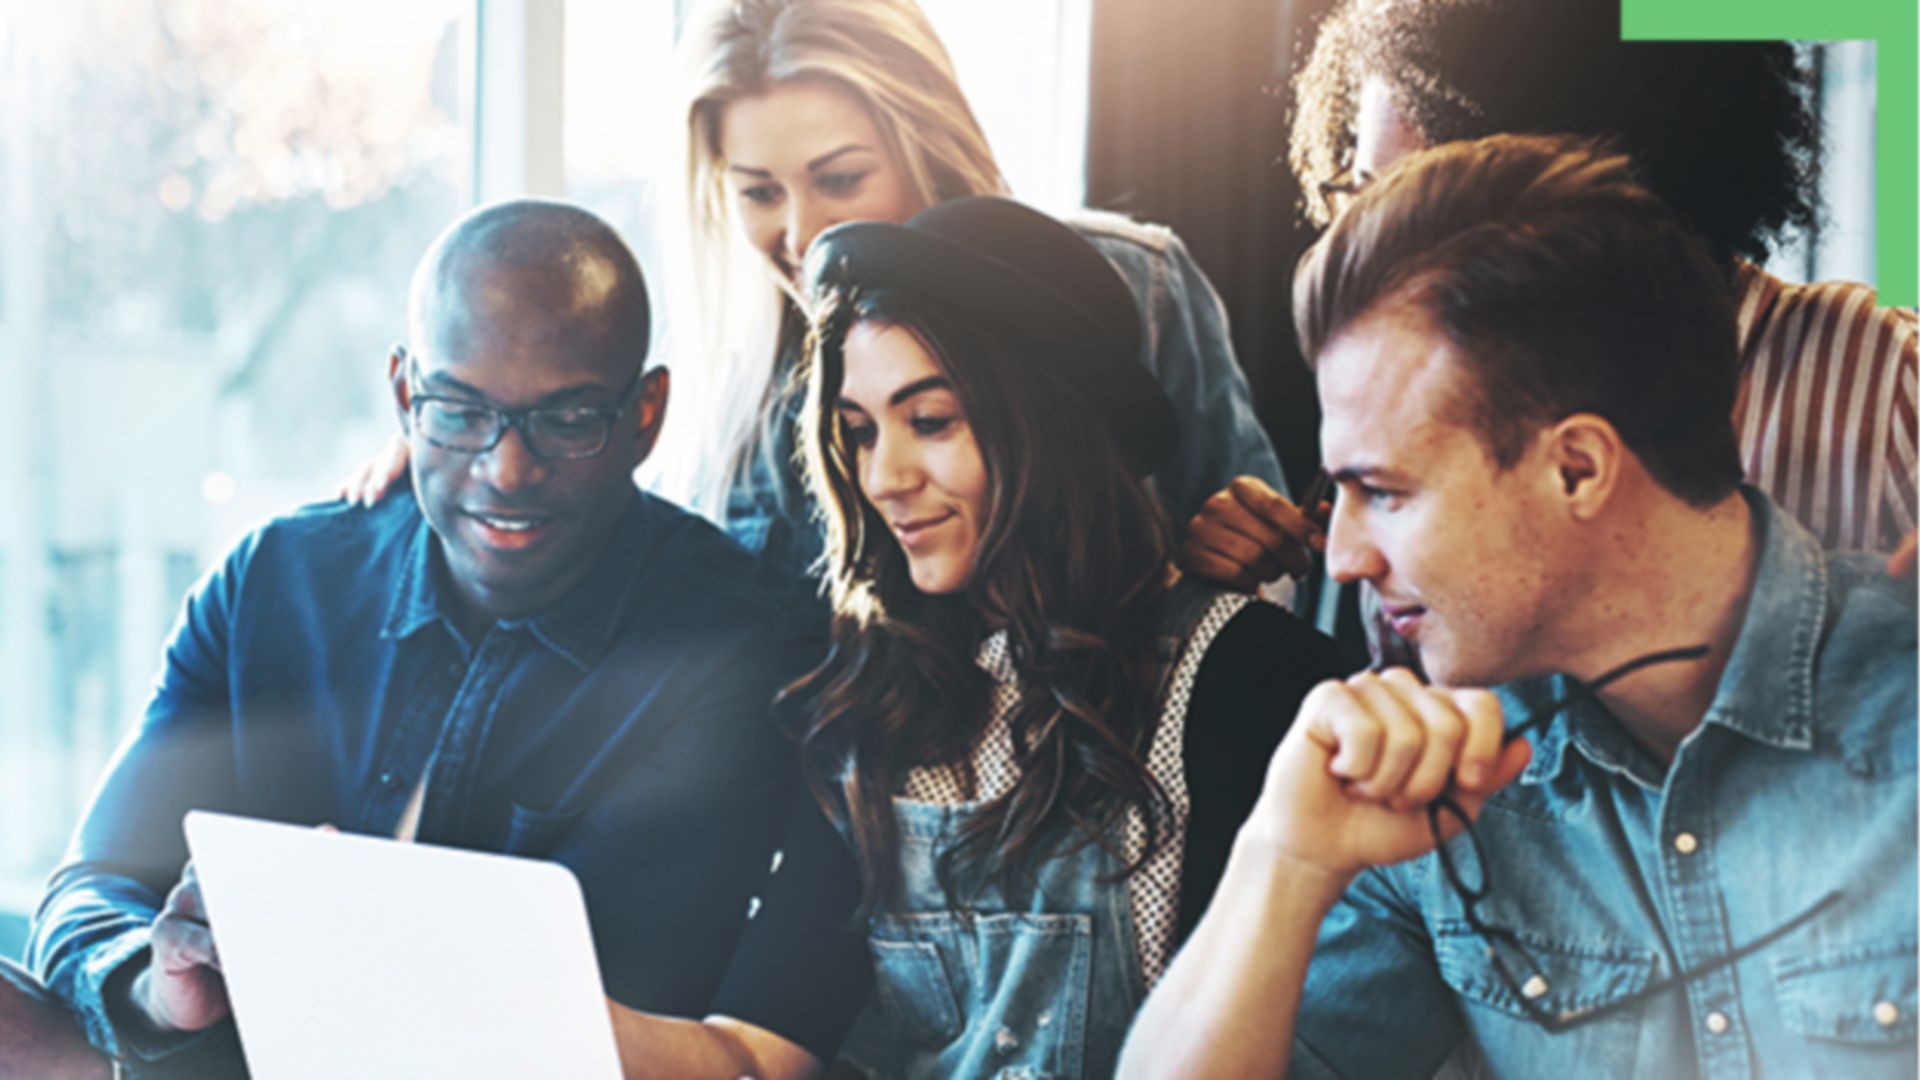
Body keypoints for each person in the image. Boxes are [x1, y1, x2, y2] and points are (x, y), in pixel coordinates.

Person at [1118, 135, 1917, 1078]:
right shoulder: (1446, 779)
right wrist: (1282, 859)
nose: (1340, 556)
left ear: (1576, 467)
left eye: (1387, 491)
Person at [24, 200, 822, 1078]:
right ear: (406, 394)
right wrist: (155, 982)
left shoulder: (736, 644)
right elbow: (90, 888)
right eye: (460, 411)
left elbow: (605, 1009)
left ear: (645, 415)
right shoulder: (276, 580)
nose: (506, 470)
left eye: (567, 420)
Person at [587, 197, 1343, 1079]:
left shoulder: (1252, 681)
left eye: (932, 421)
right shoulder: (874, 699)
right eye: (861, 432)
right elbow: (758, 1052)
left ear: (1049, 422)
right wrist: (548, 1011)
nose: (884, 477)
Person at [341, 0, 1292, 585]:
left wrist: (1234, 553)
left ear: (929, 143)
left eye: (840, 179)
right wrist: (468, 433)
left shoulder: (1131, 285)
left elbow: (1274, 558)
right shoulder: (728, 386)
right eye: (758, 192)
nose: (801, 236)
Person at [1184, 0, 1918, 619]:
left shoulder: (1887, 389)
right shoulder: (1414, 431)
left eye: (1435, 219)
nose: (1382, 260)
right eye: (1364, 199)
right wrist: (1241, 603)